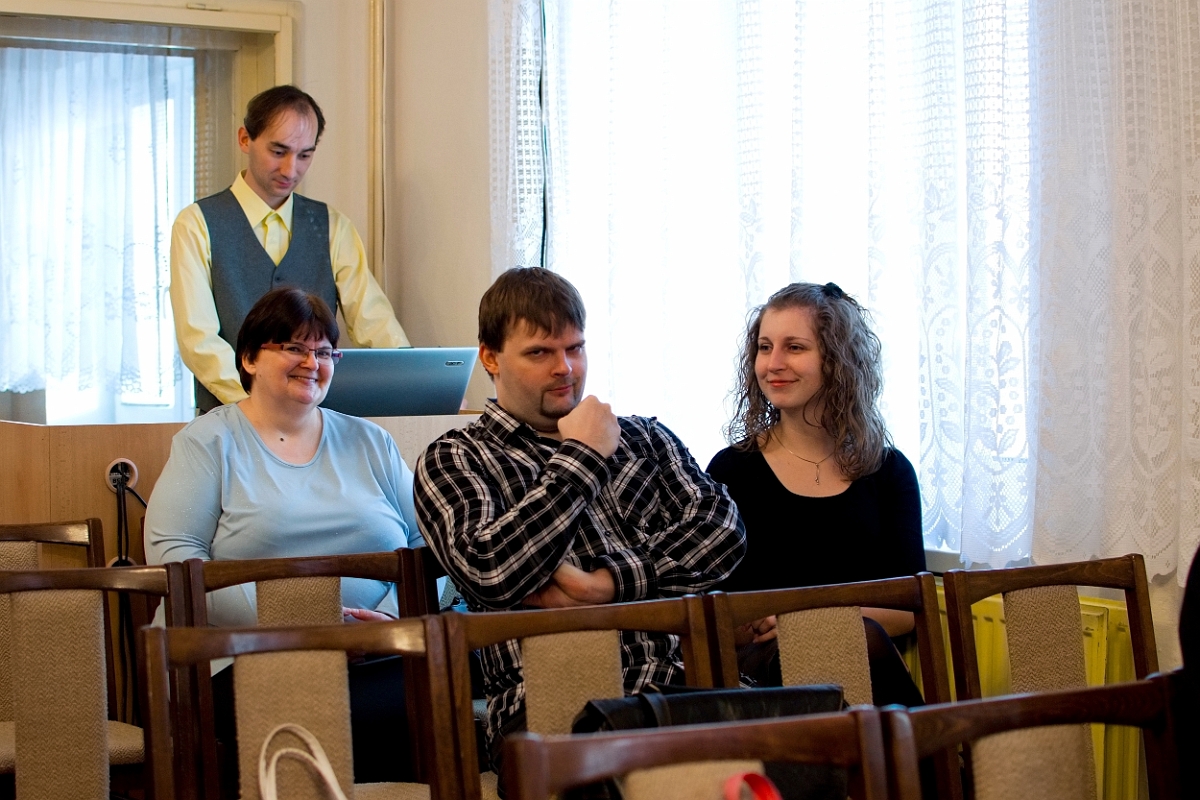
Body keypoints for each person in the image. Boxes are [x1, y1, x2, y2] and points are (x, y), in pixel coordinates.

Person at [414, 267, 746, 774]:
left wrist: (607, 584)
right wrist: (584, 456)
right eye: (540, 353)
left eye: (575, 348)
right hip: (550, 703)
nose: (565, 368)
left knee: (821, 738)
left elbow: (723, 531)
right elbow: (491, 570)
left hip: (684, 683)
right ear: (490, 357)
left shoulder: (644, 437)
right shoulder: (456, 458)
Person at [145, 287, 421, 785]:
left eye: (324, 352)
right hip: (242, 656)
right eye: (294, 348)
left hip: (378, 651)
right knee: (377, 705)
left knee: (443, 681)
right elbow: (175, 558)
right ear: (249, 358)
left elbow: (430, 546)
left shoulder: (371, 441)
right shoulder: (207, 442)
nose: (312, 363)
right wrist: (301, 630)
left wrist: (389, 623)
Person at [707, 281, 926, 704]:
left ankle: (911, 743)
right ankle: (926, 744)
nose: (773, 364)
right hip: (762, 674)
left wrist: (809, 619)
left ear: (838, 359)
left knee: (854, 640)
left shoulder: (889, 471)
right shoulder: (731, 470)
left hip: (861, 659)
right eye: (765, 347)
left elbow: (906, 609)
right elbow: (715, 607)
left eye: (794, 347)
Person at [170, 84, 408, 412]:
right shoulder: (196, 224)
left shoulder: (332, 226)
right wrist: (256, 405)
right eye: (278, 152)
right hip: (230, 422)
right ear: (245, 139)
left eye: (305, 155)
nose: (290, 169)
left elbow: (374, 322)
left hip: (317, 423)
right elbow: (199, 340)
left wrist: (414, 386)